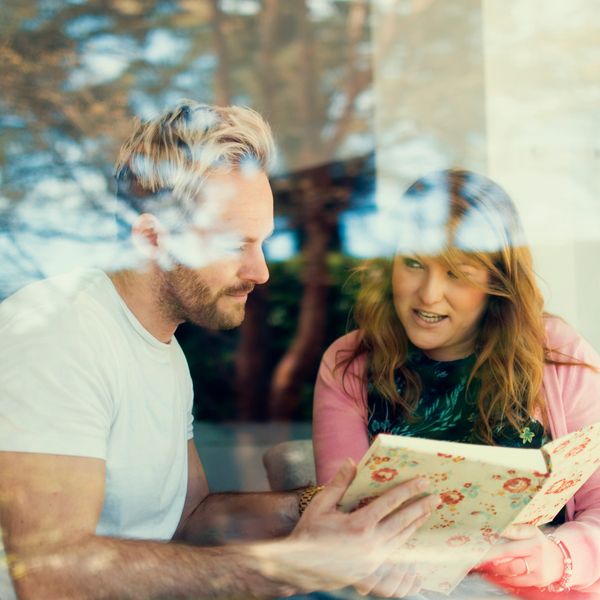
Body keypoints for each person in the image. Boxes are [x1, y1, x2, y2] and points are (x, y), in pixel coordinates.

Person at [0, 101, 440, 600]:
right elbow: (51, 575)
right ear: (151, 238)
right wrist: (292, 567)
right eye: (236, 245)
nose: (261, 272)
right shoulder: (57, 334)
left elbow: (193, 520)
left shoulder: (164, 349)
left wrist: (331, 504)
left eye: (263, 244)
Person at [312, 168, 600, 594]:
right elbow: (343, 522)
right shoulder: (349, 363)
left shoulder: (556, 353)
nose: (428, 294)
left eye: (457, 273)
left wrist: (555, 555)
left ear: (495, 282)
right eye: (413, 263)